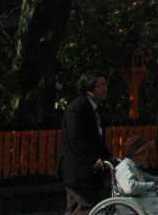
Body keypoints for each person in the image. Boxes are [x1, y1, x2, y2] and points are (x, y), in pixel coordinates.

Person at [58, 74, 113, 215]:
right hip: (79, 171)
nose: (105, 89)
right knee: (86, 208)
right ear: (89, 89)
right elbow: (76, 139)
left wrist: (109, 157)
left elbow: (96, 141)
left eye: (105, 85)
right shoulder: (79, 108)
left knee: (76, 209)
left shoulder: (90, 108)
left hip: (84, 172)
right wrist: (92, 160)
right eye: (100, 86)